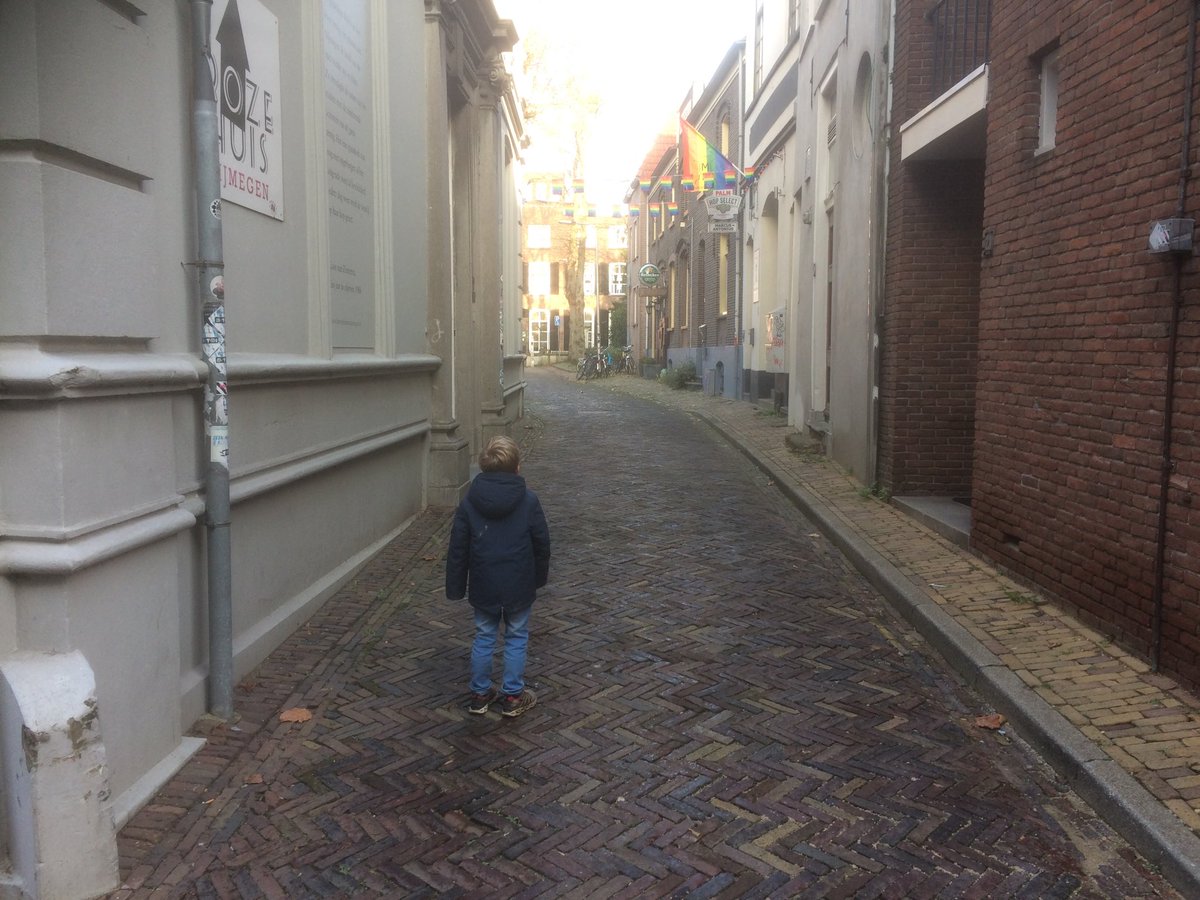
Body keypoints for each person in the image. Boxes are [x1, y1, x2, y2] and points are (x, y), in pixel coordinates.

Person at [445, 436, 551, 717]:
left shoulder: (469, 503)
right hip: (519, 582)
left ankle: (480, 694)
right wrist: (538, 577)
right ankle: (513, 696)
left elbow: (458, 549)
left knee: (484, 635)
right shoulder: (528, 501)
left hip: (484, 582)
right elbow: (542, 543)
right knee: (516, 636)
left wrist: (456, 586)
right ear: (517, 467)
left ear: (483, 467)